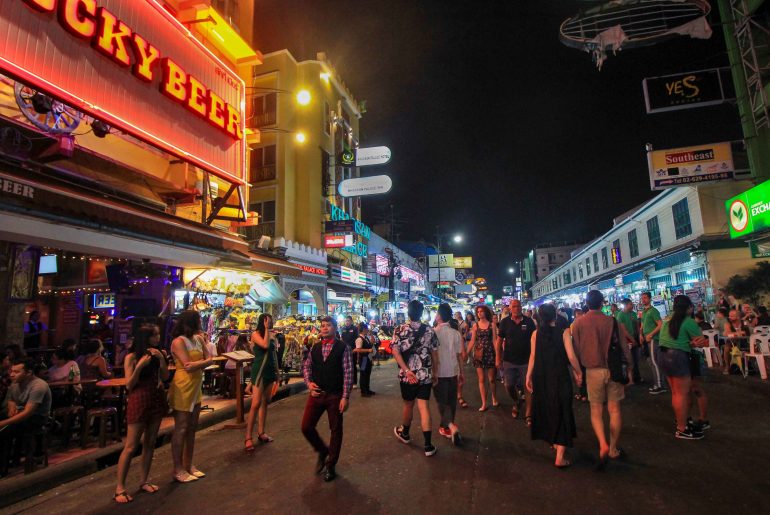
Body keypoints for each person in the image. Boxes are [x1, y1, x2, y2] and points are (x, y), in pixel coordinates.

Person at [571, 290, 632, 469]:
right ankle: (613, 448)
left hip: (592, 371)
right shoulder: (612, 321)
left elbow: (575, 351)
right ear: (602, 303)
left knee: (596, 410)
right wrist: (629, 368)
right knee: (614, 410)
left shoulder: (578, 323)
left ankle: (602, 444)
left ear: (586, 303)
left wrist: (577, 372)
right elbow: (624, 348)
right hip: (613, 370)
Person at [114, 325, 169, 503]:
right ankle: (119, 488)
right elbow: (129, 385)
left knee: (150, 442)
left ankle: (144, 480)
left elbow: (165, 377)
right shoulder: (131, 357)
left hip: (156, 398)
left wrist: (161, 359)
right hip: (139, 398)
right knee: (131, 445)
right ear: (145, 338)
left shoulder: (158, 354)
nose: (158, 338)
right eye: (154, 335)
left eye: (158, 334)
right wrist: (139, 367)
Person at [526, 304, 582, 468]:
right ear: (555, 316)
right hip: (559, 377)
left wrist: (529, 376)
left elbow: (533, 356)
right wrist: (579, 372)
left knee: (548, 409)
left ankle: (555, 442)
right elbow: (571, 356)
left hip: (542, 377)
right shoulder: (564, 332)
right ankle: (560, 457)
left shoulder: (535, 334)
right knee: (562, 410)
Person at [300, 316, 352, 482]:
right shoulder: (315, 348)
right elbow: (307, 367)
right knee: (306, 426)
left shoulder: (343, 348)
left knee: (336, 429)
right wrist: (309, 384)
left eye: (328, 325)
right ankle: (322, 450)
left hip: (334, 395)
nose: (324, 328)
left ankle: (331, 465)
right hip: (317, 394)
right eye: (322, 326)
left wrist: (345, 396)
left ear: (335, 328)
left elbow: (348, 373)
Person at [168, 310, 213, 483]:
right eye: (198, 320)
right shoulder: (178, 342)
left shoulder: (199, 339)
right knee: (181, 427)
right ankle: (177, 468)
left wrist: (199, 364)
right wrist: (204, 363)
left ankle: (189, 464)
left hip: (196, 386)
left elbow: (207, 359)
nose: (201, 323)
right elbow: (188, 365)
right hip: (182, 386)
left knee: (193, 427)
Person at [393, 300, 439, 457]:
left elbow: (396, 352)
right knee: (424, 407)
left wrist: (406, 370)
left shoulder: (399, 330)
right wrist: (435, 373)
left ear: (408, 312)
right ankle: (428, 445)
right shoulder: (429, 330)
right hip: (425, 374)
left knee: (408, 405)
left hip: (408, 376)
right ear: (422, 313)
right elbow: (434, 354)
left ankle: (405, 433)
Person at [657, 296, 708, 440]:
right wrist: (696, 342)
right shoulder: (689, 322)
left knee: (675, 392)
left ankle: (681, 421)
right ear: (689, 308)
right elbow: (701, 342)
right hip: (677, 357)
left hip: (662, 355)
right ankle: (682, 428)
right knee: (682, 394)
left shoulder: (667, 320)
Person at [497, 299, 536, 423]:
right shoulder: (504, 322)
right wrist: (498, 357)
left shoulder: (529, 322)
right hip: (509, 360)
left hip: (526, 360)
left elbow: (535, 340)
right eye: (514, 306)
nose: (517, 308)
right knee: (508, 385)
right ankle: (516, 401)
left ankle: (528, 413)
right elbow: (499, 342)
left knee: (528, 386)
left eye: (518, 306)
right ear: (509, 308)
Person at [245, 314, 279, 451]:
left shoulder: (272, 334)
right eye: (267, 321)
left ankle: (261, 432)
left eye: (270, 321)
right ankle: (248, 437)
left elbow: (274, 353)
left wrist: (277, 373)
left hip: (270, 370)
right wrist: (266, 330)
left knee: (266, 402)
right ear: (262, 322)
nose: (269, 323)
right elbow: (264, 345)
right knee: (256, 403)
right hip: (259, 370)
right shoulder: (255, 334)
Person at [433, 303, 464, 446]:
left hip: (439, 372)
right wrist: (461, 372)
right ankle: (445, 426)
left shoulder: (433, 333)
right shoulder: (456, 333)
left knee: (441, 401)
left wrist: (432, 372)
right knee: (451, 401)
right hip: (453, 372)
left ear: (439, 316)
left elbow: (432, 355)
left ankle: (451, 426)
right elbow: (459, 355)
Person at [467, 304, 499, 412]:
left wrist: (498, 355)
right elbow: (472, 340)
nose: (479, 313)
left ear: (486, 312)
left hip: (490, 353)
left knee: (492, 379)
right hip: (479, 354)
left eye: (481, 311)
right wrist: (466, 352)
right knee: (481, 379)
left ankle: (494, 397)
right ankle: (484, 403)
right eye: (478, 312)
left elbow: (494, 340)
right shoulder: (475, 325)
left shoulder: (492, 325)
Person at [639, 292, 666, 396]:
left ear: (650, 299)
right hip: (647, 340)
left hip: (654, 339)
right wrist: (640, 334)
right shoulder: (644, 312)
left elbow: (660, 325)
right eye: (642, 298)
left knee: (654, 362)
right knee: (652, 362)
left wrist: (650, 334)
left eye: (645, 298)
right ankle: (659, 383)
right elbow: (642, 324)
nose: (643, 300)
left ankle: (659, 385)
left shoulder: (653, 311)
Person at [616, 299, 642, 385]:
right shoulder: (621, 315)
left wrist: (639, 336)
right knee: (628, 360)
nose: (632, 305)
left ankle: (636, 377)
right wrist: (633, 339)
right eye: (631, 304)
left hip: (634, 338)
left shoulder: (633, 314)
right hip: (626, 341)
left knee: (636, 359)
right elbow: (623, 330)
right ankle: (628, 378)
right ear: (626, 305)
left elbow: (637, 326)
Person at [722, 309, 748, 375]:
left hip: (744, 342)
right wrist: (738, 333)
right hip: (732, 343)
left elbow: (747, 332)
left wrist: (736, 333)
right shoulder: (727, 323)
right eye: (729, 316)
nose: (730, 317)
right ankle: (727, 366)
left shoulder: (744, 323)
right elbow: (727, 333)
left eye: (732, 316)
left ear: (738, 316)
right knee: (726, 348)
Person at [353, 323, 376, 397]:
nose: (367, 330)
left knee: (367, 374)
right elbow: (358, 350)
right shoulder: (359, 339)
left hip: (368, 358)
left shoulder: (366, 338)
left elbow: (373, 342)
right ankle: (363, 391)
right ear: (363, 329)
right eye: (366, 329)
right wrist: (368, 350)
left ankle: (367, 389)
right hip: (363, 359)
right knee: (363, 374)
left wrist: (371, 334)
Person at [340, 316, 359, 387]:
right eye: (346, 321)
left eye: (348, 321)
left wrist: (356, 349)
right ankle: (346, 381)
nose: (347, 322)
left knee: (353, 366)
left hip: (352, 350)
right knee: (345, 366)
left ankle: (354, 382)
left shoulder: (355, 329)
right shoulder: (343, 329)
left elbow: (357, 339)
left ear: (351, 321)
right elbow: (341, 339)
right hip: (344, 350)